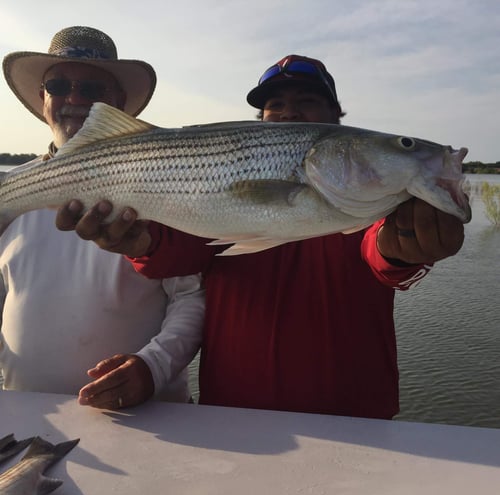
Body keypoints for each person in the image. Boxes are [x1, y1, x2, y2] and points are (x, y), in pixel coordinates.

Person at [55, 55, 465, 418]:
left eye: (307, 102)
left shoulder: (377, 203)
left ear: (337, 119)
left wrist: (406, 251)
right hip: (234, 414)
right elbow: (177, 256)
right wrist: (139, 245)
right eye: (276, 105)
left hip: (355, 415)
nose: (289, 113)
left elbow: (383, 254)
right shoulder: (215, 189)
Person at [0, 26, 203, 410]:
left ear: (118, 102)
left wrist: (153, 367)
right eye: (59, 85)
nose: (74, 98)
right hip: (27, 415)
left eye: (92, 90)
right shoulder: (9, 190)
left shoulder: (170, 177)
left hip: (155, 420)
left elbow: (191, 296)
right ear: (43, 97)